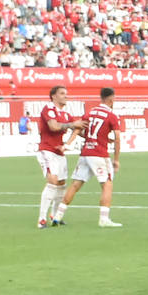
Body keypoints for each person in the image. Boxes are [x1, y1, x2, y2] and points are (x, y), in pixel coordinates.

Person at [51, 87, 122, 228]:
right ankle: (104, 219)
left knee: (76, 184)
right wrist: (116, 159)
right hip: (99, 154)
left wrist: (68, 143)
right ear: (111, 99)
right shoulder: (112, 116)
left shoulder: (90, 112)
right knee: (107, 184)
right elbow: (118, 138)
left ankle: (57, 216)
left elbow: (78, 128)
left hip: (85, 153)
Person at [35, 85, 86, 228]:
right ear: (54, 96)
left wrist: (96, 136)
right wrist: (72, 124)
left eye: (66, 93)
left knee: (62, 184)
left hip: (59, 152)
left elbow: (78, 129)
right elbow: (53, 127)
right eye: (62, 93)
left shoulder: (65, 114)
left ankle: (55, 215)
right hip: (47, 150)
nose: (66, 96)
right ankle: (41, 219)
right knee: (53, 182)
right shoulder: (48, 109)